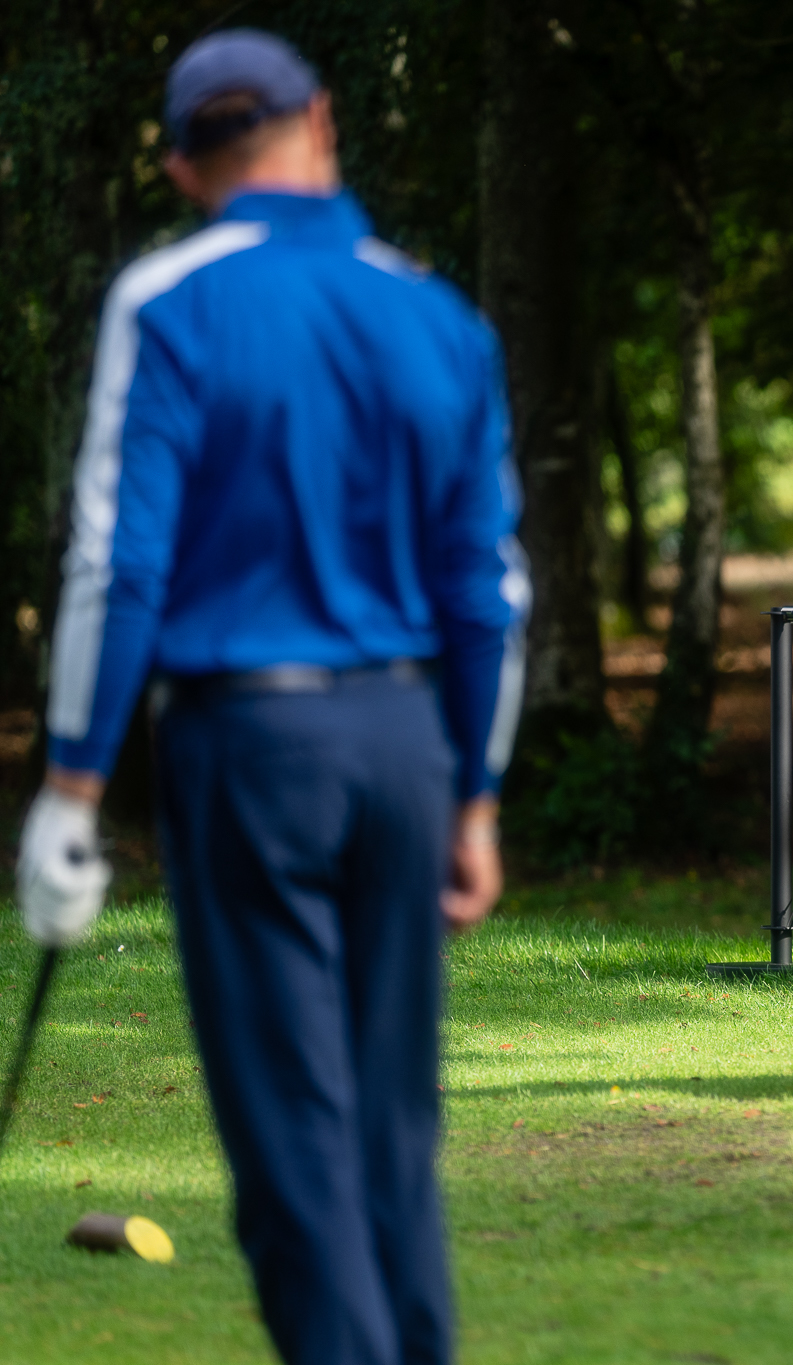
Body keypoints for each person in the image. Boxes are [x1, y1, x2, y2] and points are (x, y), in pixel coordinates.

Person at [12, 30, 527, 1365]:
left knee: (294, 1130)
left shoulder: (167, 299)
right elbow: (489, 592)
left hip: (251, 744)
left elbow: (117, 562)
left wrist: (72, 785)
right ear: (324, 123)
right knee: (392, 1125)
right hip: (405, 741)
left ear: (185, 169)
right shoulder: (438, 312)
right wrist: (475, 795)